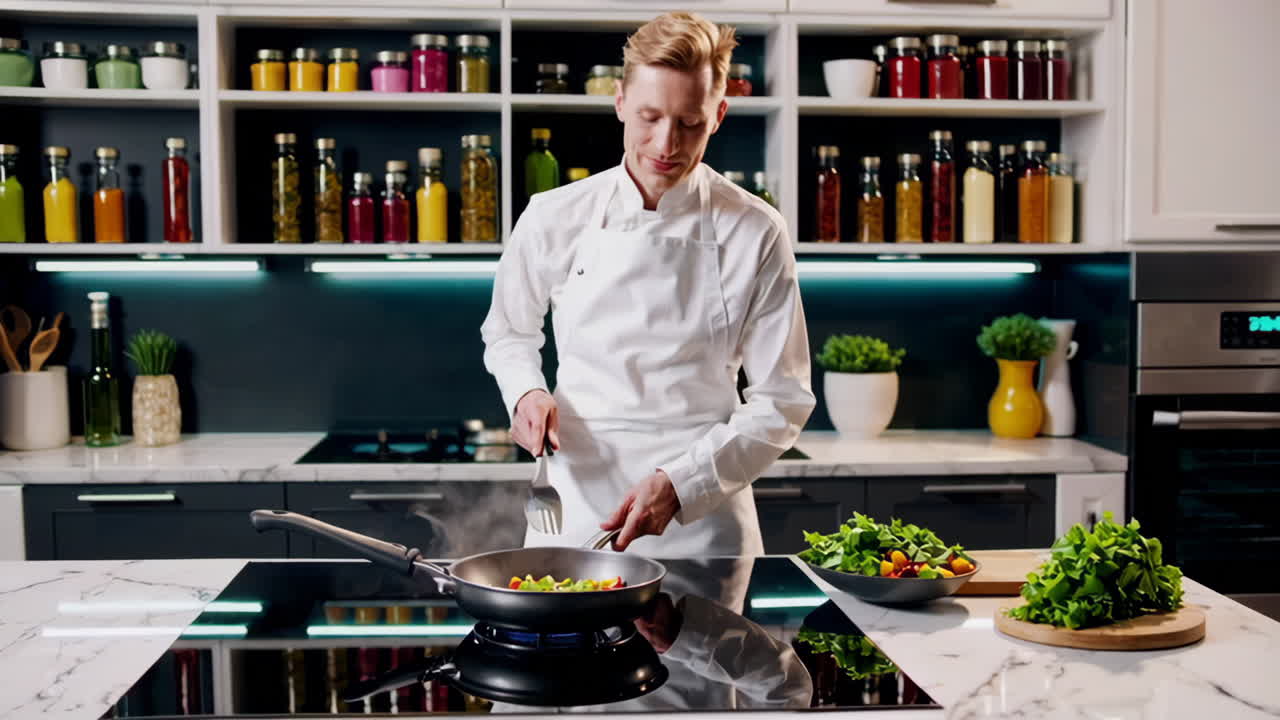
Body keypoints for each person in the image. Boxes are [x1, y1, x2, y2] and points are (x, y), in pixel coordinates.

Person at [481, 11, 814, 556]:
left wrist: (684, 484)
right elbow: (509, 333)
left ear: (719, 115)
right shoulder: (553, 214)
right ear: (619, 103)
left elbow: (783, 399)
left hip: (703, 525)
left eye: (689, 123)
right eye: (649, 117)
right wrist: (526, 393)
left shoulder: (755, 229)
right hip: (574, 512)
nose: (666, 143)